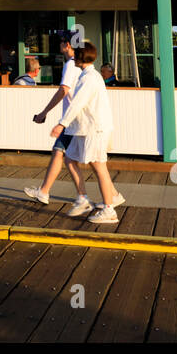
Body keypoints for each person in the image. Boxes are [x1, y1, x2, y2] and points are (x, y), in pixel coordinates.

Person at [50, 44, 124, 224]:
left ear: (81, 58)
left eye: (76, 56)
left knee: (99, 166)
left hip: (94, 129)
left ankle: (109, 210)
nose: (73, 58)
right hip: (84, 129)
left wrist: (61, 124)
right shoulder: (89, 76)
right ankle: (83, 198)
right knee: (70, 159)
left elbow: (77, 103)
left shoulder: (89, 78)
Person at [23, 32, 90, 213]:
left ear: (67, 45)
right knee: (62, 154)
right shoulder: (81, 65)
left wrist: (44, 112)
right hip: (76, 119)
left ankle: (98, 197)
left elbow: (63, 90)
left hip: (72, 120)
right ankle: (45, 192)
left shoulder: (70, 65)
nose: (59, 45)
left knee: (82, 160)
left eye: (61, 42)